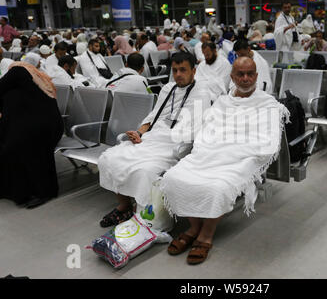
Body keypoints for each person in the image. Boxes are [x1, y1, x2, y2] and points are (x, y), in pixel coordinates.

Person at [161, 57, 289, 265]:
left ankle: (206, 234)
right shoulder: (222, 102)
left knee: (217, 187)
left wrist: (233, 150)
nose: (245, 78)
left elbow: (268, 143)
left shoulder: (268, 104)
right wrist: (207, 150)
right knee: (173, 178)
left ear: (256, 76)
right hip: (210, 153)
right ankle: (193, 227)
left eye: (250, 74)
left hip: (241, 158)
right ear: (232, 77)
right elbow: (206, 131)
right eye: (240, 74)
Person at [97, 52, 211, 227]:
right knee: (108, 158)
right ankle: (125, 205)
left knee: (144, 171)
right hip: (151, 139)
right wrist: (140, 133)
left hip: (174, 145)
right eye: (175, 70)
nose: (178, 74)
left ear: (193, 71)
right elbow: (153, 115)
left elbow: (193, 131)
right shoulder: (167, 89)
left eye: (183, 70)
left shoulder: (201, 92)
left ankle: (145, 218)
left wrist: (171, 142)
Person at [0, 62, 63, 208]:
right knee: (8, 142)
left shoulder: (17, 71)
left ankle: (41, 192)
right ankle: (13, 189)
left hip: (42, 128)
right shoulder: (27, 81)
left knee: (16, 145)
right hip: (39, 125)